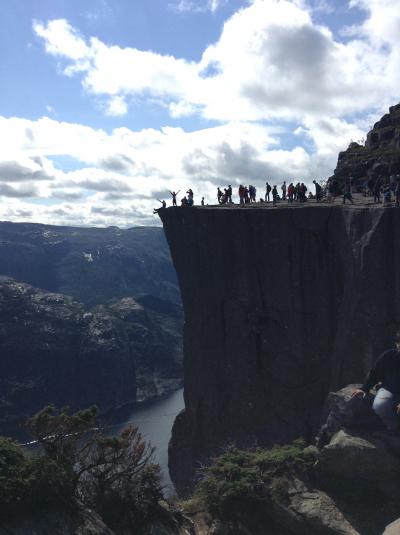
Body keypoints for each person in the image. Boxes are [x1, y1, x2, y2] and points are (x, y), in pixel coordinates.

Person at [352, 332, 400, 435]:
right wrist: (364, 389)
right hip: (389, 390)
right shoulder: (388, 356)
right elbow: (375, 373)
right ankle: (394, 427)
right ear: (396, 343)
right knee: (379, 405)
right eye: (399, 342)